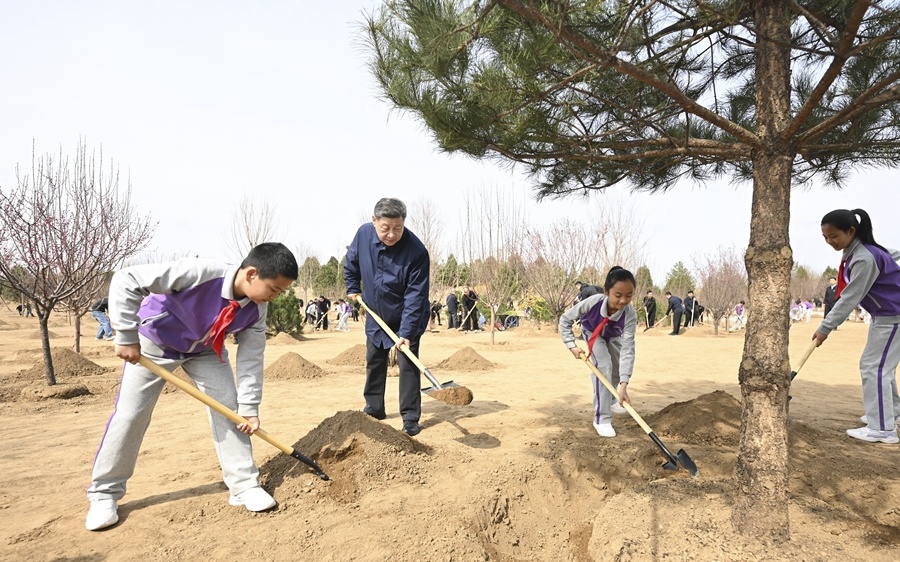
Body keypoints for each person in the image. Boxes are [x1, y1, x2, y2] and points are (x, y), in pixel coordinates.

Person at [84, 242, 298, 531]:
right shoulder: (200, 273)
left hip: (205, 350)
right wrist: (125, 335)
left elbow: (251, 358)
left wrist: (249, 408)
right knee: (131, 415)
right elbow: (126, 279)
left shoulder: (257, 309)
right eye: (273, 289)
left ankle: (244, 486)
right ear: (251, 274)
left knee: (230, 411)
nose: (274, 297)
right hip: (154, 344)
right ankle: (104, 494)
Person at [812, 209, 900, 445]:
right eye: (825, 237)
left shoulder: (864, 257)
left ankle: (882, 428)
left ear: (851, 231)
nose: (830, 242)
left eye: (834, 236)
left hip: (893, 317)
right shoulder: (861, 251)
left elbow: (850, 297)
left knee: (874, 368)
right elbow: (894, 254)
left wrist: (825, 327)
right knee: (880, 366)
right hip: (884, 316)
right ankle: (891, 414)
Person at [344, 198, 430, 437]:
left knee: (408, 363)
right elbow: (351, 262)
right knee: (374, 359)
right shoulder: (363, 235)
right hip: (375, 311)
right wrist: (353, 287)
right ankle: (374, 409)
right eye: (386, 228)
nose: (391, 234)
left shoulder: (416, 251)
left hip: (407, 313)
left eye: (397, 228)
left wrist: (407, 332)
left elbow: (416, 295)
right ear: (374, 221)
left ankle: (410, 417)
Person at [560, 266, 637, 438]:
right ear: (606, 291)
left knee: (616, 368)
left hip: (613, 336)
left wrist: (624, 385)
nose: (623, 301)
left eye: (629, 295)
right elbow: (565, 319)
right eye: (618, 295)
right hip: (592, 332)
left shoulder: (630, 315)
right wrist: (571, 345)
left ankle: (612, 398)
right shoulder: (593, 302)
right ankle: (602, 419)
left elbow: (628, 349)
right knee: (604, 367)